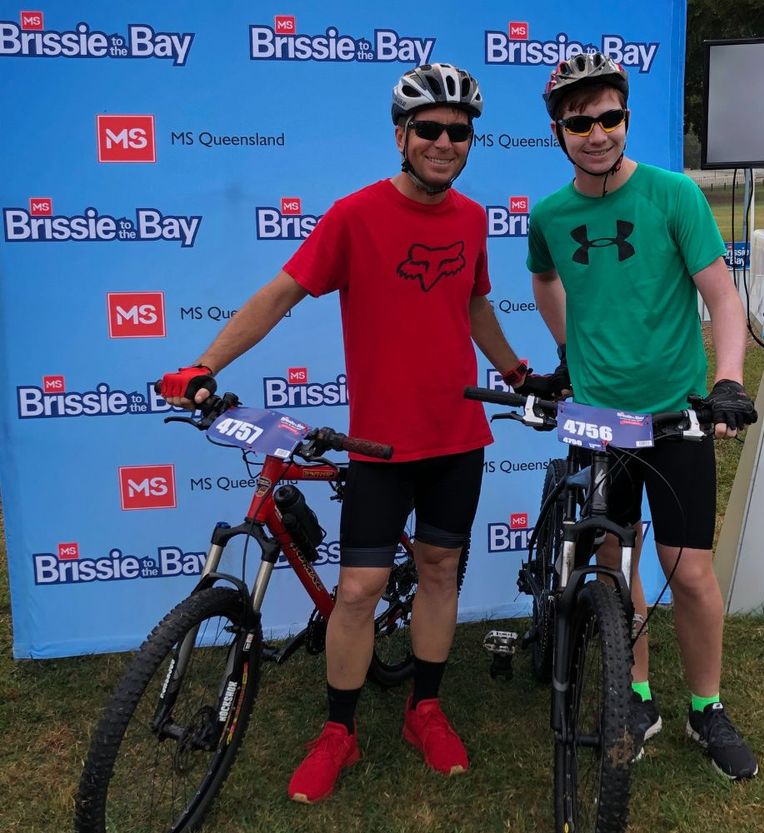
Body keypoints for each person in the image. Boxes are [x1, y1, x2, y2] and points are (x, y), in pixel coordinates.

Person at [160, 62, 547, 803]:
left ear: (470, 141)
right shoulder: (353, 214)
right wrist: (203, 363)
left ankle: (424, 708)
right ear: (401, 136)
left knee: (439, 572)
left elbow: (473, 305)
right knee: (360, 587)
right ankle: (338, 729)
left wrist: (517, 369)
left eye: (457, 131)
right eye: (428, 129)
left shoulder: (470, 218)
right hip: (379, 444)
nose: (443, 141)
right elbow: (280, 296)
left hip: (458, 436)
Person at [526, 52, 759, 780]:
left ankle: (707, 705)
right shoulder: (550, 215)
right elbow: (544, 278)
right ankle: (636, 694)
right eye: (579, 121)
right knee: (612, 562)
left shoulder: (672, 194)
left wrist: (725, 379)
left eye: (610, 117)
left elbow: (722, 296)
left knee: (686, 571)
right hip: (599, 421)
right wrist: (566, 350)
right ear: (559, 129)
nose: (596, 133)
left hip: (674, 416)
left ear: (625, 118)